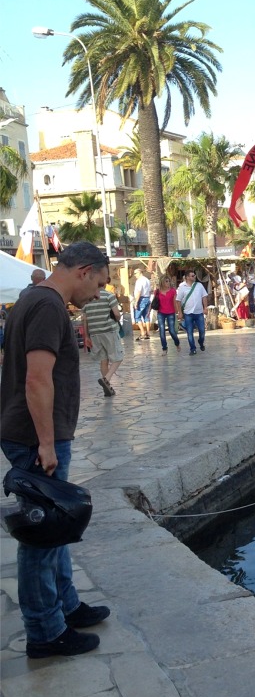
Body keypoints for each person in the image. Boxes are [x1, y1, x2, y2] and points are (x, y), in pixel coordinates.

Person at [0, 241, 112, 658]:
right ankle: (45, 632)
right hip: (34, 439)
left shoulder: (33, 298)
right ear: (83, 270)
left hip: (31, 434)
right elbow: (37, 379)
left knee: (56, 526)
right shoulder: (48, 306)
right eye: (98, 283)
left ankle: (67, 606)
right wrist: (46, 443)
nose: (98, 294)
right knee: (42, 538)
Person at [82, 277, 124, 396]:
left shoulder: (88, 299)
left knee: (103, 359)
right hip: (109, 331)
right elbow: (116, 314)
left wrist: (86, 336)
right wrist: (118, 318)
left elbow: (84, 319)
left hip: (95, 333)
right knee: (118, 357)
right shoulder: (109, 296)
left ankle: (108, 388)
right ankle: (106, 379)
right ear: (105, 284)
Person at [175, 269, 208, 355]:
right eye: (192, 276)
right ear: (187, 277)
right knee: (189, 332)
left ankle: (201, 341)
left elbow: (204, 296)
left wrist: (205, 307)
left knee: (202, 331)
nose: (194, 277)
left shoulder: (199, 285)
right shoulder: (182, 288)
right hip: (188, 313)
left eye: (194, 275)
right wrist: (180, 312)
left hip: (199, 312)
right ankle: (192, 348)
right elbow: (178, 300)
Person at [156, 275, 181, 352]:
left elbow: (175, 302)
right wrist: (149, 311)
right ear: (162, 282)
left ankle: (177, 343)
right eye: (166, 281)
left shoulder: (173, 291)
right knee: (162, 330)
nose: (168, 283)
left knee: (172, 330)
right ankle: (164, 348)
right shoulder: (157, 291)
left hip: (171, 312)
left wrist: (178, 312)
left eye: (169, 281)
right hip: (161, 312)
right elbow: (154, 302)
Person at [132, 267, 152, 341]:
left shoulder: (139, 281)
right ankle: (148, 333)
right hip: (147, 298)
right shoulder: (147, 280)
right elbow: (150, 291)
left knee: (137, 316)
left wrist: (136, 302)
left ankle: (143, 333)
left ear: (140, 272)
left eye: (135, 273)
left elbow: (139, 292)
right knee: (146, 317)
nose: (134, 275)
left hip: (141, 299)